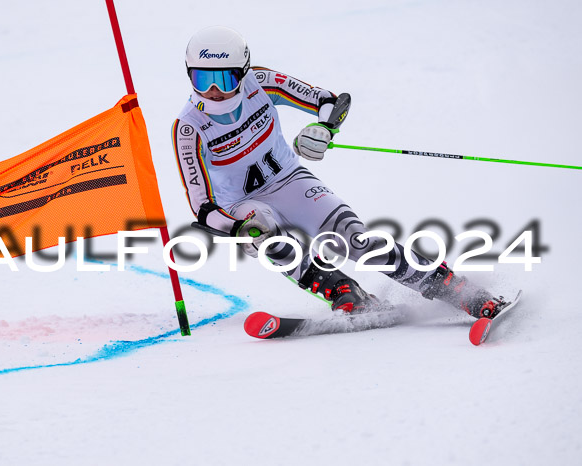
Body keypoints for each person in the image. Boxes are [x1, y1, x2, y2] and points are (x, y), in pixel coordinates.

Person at [172, 26, 507, 318]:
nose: (214, 89)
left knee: (357, 240)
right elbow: (202, 207)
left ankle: (459, 290)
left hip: (289, 180)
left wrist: (324, 128)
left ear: (243, 71)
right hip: (243, 204)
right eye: (203, 78)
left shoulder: (261, 83)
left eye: (225, 78)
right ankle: (345, 292)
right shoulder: (189, 128)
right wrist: (239, 227)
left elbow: (331, 101)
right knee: (269, 237)